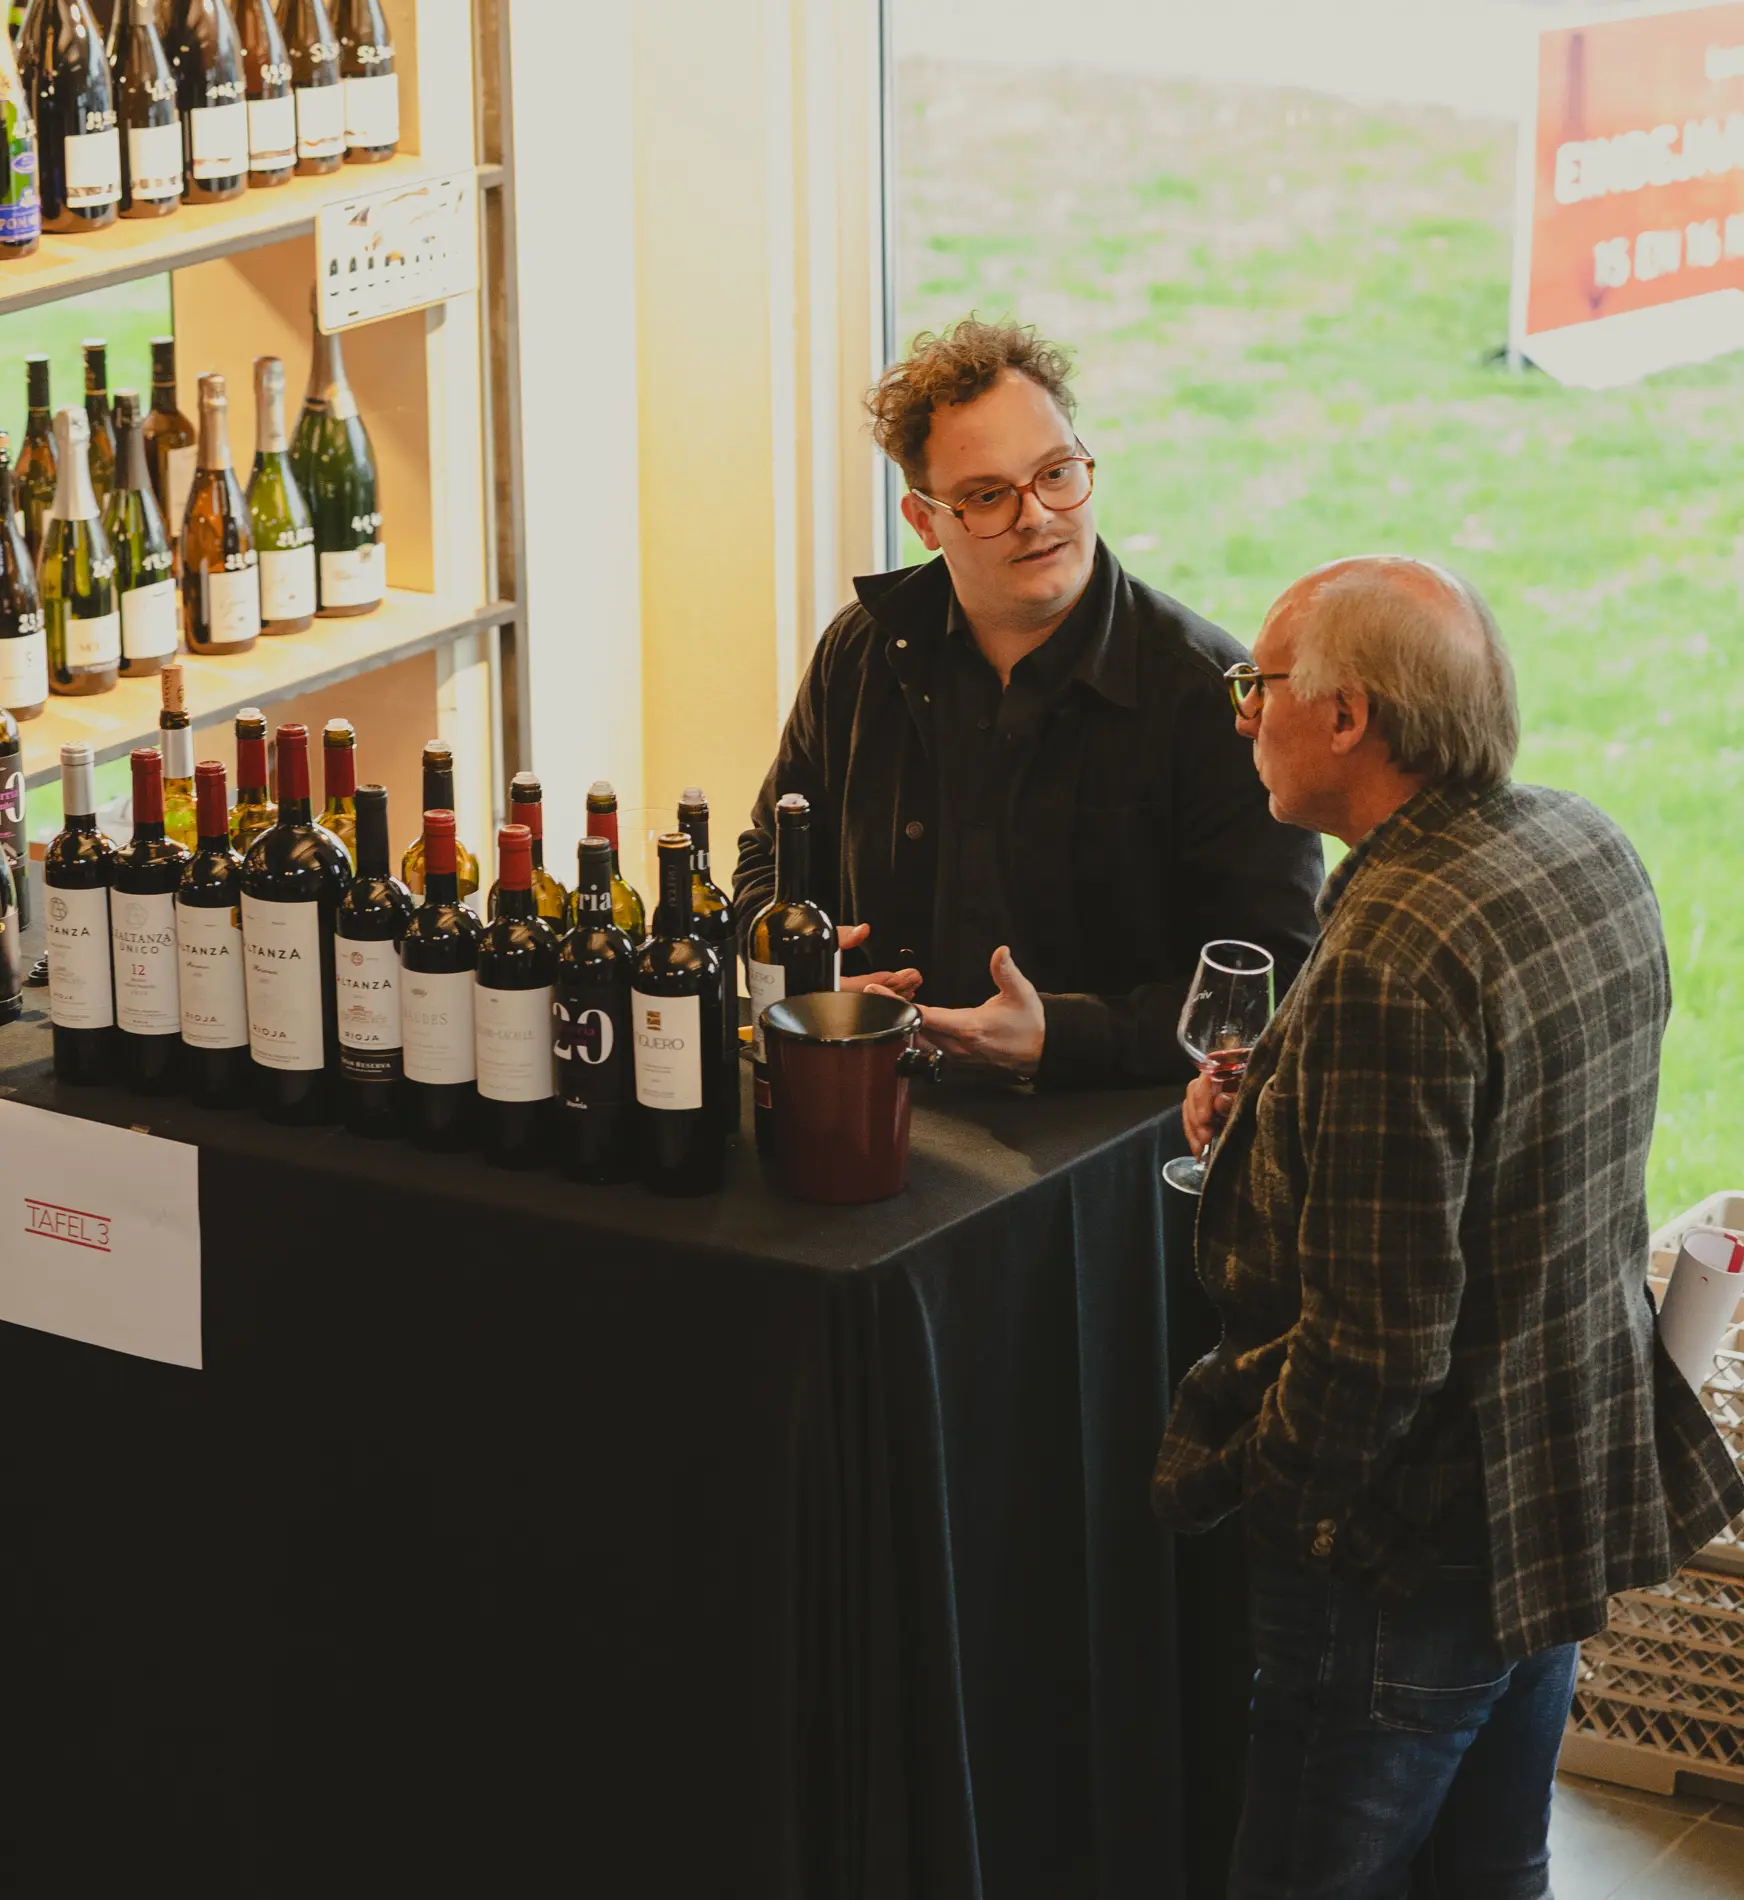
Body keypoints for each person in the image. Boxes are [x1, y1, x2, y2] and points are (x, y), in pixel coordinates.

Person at [1151, 555, 1744, 1898]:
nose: (1242, 714)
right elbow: (1507, 1160)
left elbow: (1378, 1345)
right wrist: (1274, 1114)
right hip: (1553, 1493)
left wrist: (1283, 1510)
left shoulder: (1394, 953)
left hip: (1405, 1553)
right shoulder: (1585, 846)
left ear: (1347, 716)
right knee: (1494, 1871)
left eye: (1259, 684)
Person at [731, 317, 1323, 1085]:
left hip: (1103, 1126)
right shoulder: (860, 652)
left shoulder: (1206, 691)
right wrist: (804, 968)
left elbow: (1277, 983)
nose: (1037, 516)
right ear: (924, 522)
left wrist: (1063, 1037)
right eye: (987, 496)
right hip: (874, 1092)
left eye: (1056, 474)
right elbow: (768, 858)